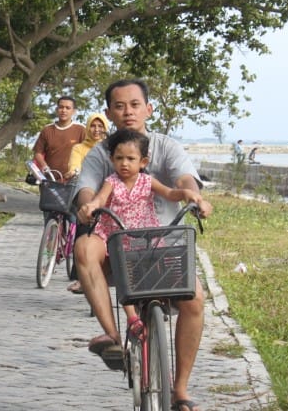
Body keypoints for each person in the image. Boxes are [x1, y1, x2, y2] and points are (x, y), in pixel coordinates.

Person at [74, 78, 212, 411]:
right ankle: (114, 338)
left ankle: (180, 390)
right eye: (119, 106)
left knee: (194, 299)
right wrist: (87, 206)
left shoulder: (166, 148)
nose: (128, 112)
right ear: (108, 113)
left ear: (148, 109)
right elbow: (88, 189)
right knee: (83, 248)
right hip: (115, 243)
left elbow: (181, 181)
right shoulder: (100, 154)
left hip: (161, 243)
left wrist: (193, 194)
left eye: (135, 105)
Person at [78, 128, 203, 338]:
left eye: (130, 158)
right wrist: (91, 206)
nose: (124, 163)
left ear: (143, 162)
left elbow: (171, 193)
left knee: (154, 265)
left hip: (145, 235)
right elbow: (99, 199)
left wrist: (188, 194)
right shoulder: (112, 182)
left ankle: (157, 303)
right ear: (111, 159)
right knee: (124, 275)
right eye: (119, 158)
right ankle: (132, 318)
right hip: (118, 233)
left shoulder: (147, 181)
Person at [63, 112, 110, 294]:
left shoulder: (110, 147)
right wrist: (75, 172)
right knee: (84, 228)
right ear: (88, 127)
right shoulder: (80, 148)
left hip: (109, 194)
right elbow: (75, 166)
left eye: (100, 126)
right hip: (87, 194)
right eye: (93, 126)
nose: (96, 130)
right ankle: (80, 277)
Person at [32, 96, 86, 182]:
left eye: (68, 108)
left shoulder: (81, 129)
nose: (64, 110)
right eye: (61, 107)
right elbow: (38, 153)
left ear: (74, 111)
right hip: (49, 180)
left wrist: (76, 171)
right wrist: (45, 167)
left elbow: (87, 153)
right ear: (57, 109)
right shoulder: (47, 130)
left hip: (72, 181)